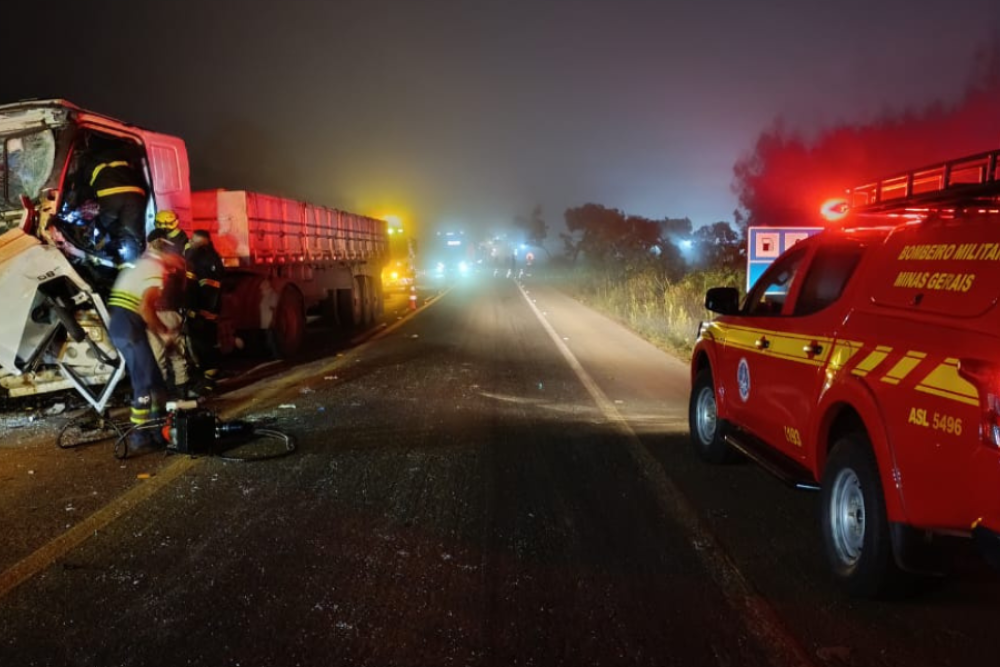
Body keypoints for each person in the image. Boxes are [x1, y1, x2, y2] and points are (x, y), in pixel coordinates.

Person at [107, 238, 179, 454]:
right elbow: (146, 307)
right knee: (145, 383)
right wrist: (165, 333)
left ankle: (159, 431)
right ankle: (140, 435)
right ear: (168, 255)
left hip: (123, 326)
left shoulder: (140, 264)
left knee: (155, 381)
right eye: (177, 257)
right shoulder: (155, 269)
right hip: (129, 327)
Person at [146, 224, 193, 399]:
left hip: (157, 314)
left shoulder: (149, 263)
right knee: (177, 355)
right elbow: (184, 287)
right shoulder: (176, 262)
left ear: (150, 244)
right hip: (174, 313)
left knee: (158, 358)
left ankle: (160, 397)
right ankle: (183, 393)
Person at [84, 147, 148, 267]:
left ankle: (100, 249)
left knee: (107, 225)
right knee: (129, 232)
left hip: (109, 194)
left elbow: (84, 187)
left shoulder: (92, 162)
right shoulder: (124, 158)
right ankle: (129, 266)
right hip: (135, 194)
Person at [184, 230, 224, 396]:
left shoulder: (204, 260)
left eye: (195, 242)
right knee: (202, 346)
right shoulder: (204, 257)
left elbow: (207, 289)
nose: (191, 244)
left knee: (204, 346)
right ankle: (206, 381)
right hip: (203, 311)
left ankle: (208, 384)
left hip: (203, 313)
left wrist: (197, 311)